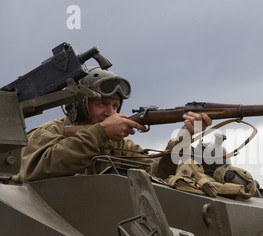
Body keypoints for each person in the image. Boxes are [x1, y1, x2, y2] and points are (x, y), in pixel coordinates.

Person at [12, 67, 211, 183]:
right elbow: (39, 169)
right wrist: (99, 133)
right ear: (79, 105)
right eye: (102, 104)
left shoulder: (118, 144)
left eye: (115, 106)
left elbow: (157, 173)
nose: (111, 113)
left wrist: (182, 140)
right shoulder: (48, 133)